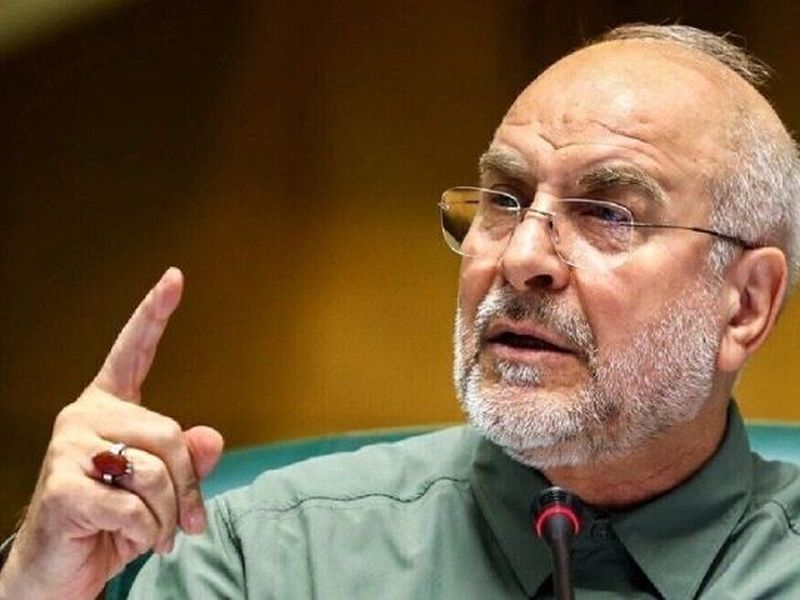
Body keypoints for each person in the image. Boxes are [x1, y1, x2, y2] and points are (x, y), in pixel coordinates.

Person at [1, 22, 799, 599]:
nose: (520, 256)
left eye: (607, 214)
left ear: (746, 305)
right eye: (503, 199)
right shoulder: (264, 558)